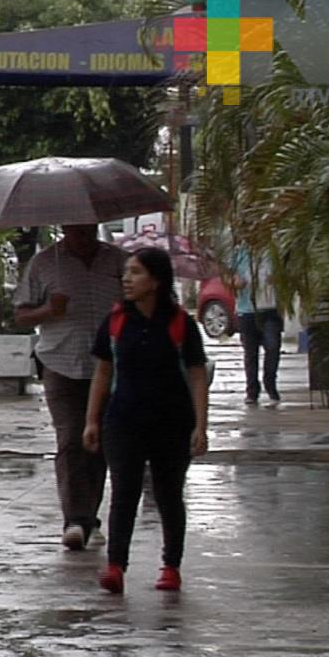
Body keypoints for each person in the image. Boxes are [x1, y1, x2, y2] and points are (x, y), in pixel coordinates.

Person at [83, 247, 209, 594]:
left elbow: (197, 375)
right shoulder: (115, 321)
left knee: (169, 494)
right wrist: (92, 420)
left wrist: (201, 425)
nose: (127, 279)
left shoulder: (181, 323)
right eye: (126, 272)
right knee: (124, 492)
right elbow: (103, 372)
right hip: (123, 420)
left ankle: (171, 566)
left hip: (172, 422)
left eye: (135, 272)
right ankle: (115, 567)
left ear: (156, 281)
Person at [14, 224, 128, 551]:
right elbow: (21, 314)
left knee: (100, 442)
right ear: (64, 227)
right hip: (61, 362)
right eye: (76, 228)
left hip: (110, 367)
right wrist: (48, 310)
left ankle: (89, 516)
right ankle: (75, 520)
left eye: (88, 227)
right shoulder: (45, 264)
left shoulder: (120, 262)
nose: (83, 233)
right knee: (70, 438)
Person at [231, 247, 282, 406]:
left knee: (272, 347)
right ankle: (252, 391)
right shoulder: (239, 253)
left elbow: (286, 276)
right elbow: (227, 277)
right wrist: (235, 281)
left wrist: (277, 280)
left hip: (270, 308)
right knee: (250, 352)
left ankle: (270, 383)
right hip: (247, 310)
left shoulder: (273, 252)